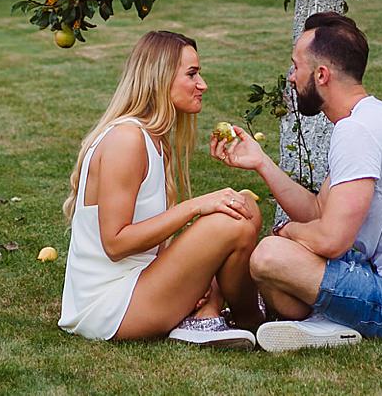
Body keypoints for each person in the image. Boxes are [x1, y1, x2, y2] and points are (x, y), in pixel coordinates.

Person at [211, 12, 382, 353]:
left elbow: (332, 240)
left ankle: (328, 324)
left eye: (295, 66)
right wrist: (261, 163)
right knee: (278, 264)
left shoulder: (357, 131)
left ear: (321, 75)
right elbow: (319, 210)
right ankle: (325, 325)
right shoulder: (371, 119)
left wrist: (287, 233)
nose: (291, 77)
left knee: (271, 255)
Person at [59, 30, 264, 348]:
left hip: (142, 282)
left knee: (244, 208)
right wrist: (194, 206)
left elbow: (156, 244)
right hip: (109, 306)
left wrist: (197, 275)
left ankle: (222, 317)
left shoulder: (154, 140)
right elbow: (115, 243)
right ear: (160, 77)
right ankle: (250, 321)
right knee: (230, 218)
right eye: (192, 74)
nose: (203, 85)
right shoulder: (126, 139)